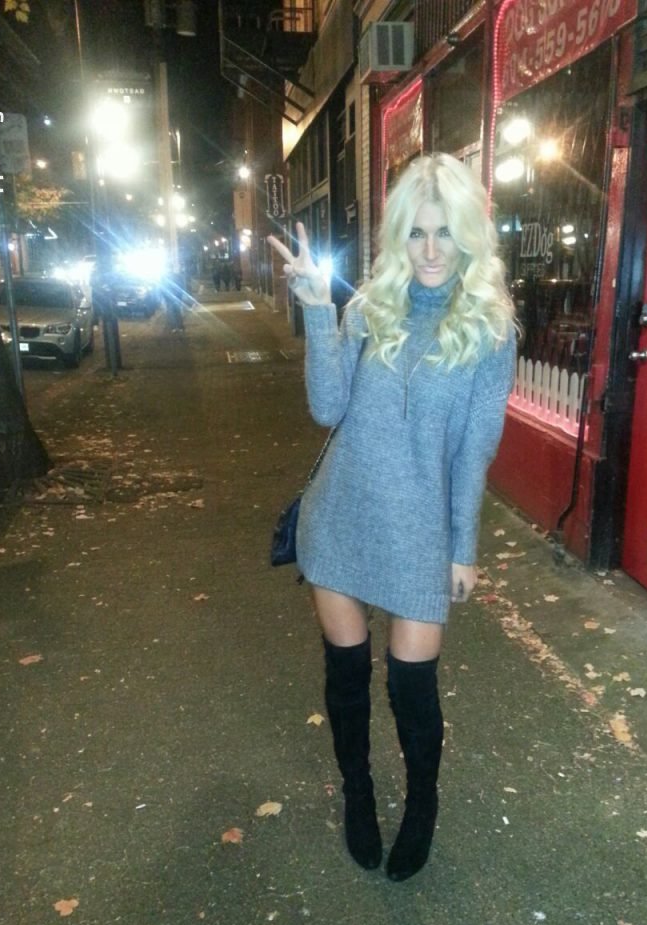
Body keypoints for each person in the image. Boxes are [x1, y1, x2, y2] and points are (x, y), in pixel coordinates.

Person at [267, 153, 516, 882]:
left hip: (418, 534)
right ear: (398, 236)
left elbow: (473, 451)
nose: (431, 250)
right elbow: (327, 409)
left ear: (468, 237)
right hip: (341, 517)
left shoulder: (490, 332)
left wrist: (462, 548)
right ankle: (358, 794)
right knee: (347, 677)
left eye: (445, 232)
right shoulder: (366, 310)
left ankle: (422, 805)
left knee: (412, 690)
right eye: (415, 232)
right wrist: (318, 309)